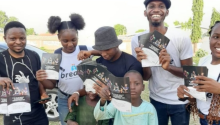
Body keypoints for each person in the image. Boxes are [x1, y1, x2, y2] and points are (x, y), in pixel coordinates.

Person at [132, 0, 193, 125]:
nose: (156, 9)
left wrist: (168, 67)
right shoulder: (137, 40)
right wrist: (145, 63)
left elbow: (190, 74)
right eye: (151, 6)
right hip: (156, 99)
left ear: (167, 12)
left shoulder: (180, 37)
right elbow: (146, 76)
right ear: (145, 13)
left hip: (180, 100)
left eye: (161, 6)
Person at [68, 26, 143, 125]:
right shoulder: (98, 63)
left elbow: (134, 95)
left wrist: (109, 91)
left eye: (107, 49)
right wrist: (77, 93)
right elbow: (90, 88)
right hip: (103, 116)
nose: (103, 54)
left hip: (124, 117)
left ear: (116, 45)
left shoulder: (132, 64)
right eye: (100, 50)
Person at [36, 13, 99, 125]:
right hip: (64, 99)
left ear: (77, 36)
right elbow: (51, 85)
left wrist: (91, 52)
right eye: (65, 41)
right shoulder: (55, 56)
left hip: (85, 97)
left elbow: (106, 51)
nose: (70, 44)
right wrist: (42, 79)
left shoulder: (85, 49)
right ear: (59, 38)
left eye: (74, 40)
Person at [0, 21, 49, 125]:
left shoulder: (34, 55)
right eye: (13, 39)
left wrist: (43, 93)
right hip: (13, 115)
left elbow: (38, 79)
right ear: (5, 39)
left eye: (22, 38)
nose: (18, 42)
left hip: (37, 112)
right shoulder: (1, 58)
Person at [177, 21, 220, 125]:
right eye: (216, 37)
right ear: (209, 38)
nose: (219, 42)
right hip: (204, 119)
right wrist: (187, 94)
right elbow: (198, 97)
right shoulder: (203, 61)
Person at [94, 70, 158, 125]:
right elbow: (99, 116)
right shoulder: (117, 105)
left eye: (137, 84)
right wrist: (103, 100)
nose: (132, 87)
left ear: (143, 87)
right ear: (122, 86)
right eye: (128, 84)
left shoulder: (149, 109)